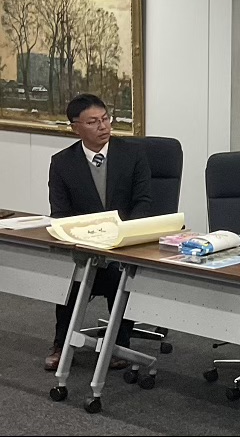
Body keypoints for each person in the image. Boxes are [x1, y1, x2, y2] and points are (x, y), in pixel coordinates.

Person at [46, 93, 152, 371]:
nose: (103, 126)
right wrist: (85, 239)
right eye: (93, 122)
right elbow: (60, 213)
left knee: (121, 275)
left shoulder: (132, 155)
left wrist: (125, 235)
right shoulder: (62, 162)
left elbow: (143, 202)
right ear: (76, 127)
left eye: (105, 119)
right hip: (85, 247)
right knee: (67, 275)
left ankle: (120, 345)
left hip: (124, 245)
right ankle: (61, 343)